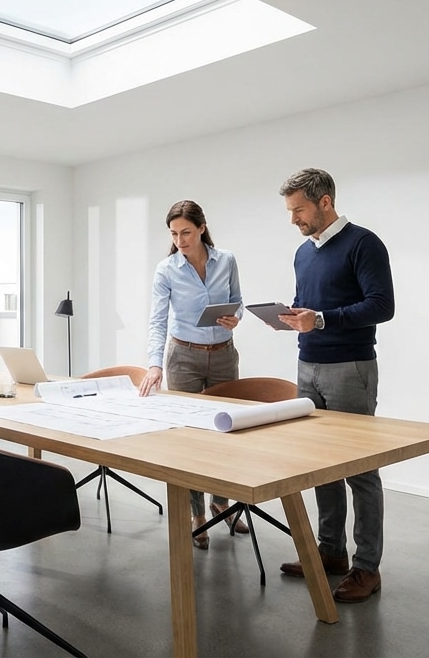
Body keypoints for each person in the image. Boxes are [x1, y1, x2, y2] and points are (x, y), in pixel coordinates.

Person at [274, 168, 395, 603]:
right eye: (290, 211)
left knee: (360, 469)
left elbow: (382, 306)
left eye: (299, 210)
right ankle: (330, 553)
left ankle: (367, 567)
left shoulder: (364, 243)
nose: (294, 219)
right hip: (308, 365)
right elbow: (310, 306)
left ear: (325, 202)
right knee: (320, 465)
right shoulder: (303, 252)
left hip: (351, 368)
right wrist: (292, 318)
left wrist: (322, 320)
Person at [139, 200, 248, 549]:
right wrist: (155, 364)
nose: (180, 240)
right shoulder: (166, 270)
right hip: (183, 357)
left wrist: (235, 317)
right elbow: (157, 320)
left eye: (186, 232)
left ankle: (221, 502)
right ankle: (197, 514)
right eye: (174, 234)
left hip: (224, 355)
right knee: (188, 438)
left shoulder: (226, 260)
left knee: (225, 432)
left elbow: (238, 301)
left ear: (202, 228)